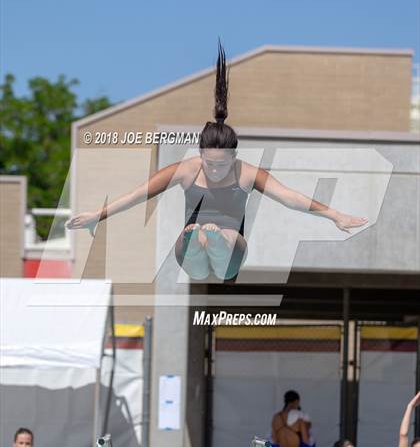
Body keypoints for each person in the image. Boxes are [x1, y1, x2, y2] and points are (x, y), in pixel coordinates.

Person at [67, 43, 368, 281]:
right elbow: (139, 194)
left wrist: (334, 215)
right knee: (195, 251)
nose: (214, 169)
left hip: (231, 255)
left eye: (221, 165)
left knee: (225, 243)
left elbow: (290, 198)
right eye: (209, 163)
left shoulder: (248, 175)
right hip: (192, 248)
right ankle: (200, 239)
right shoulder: (186, 171)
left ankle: (216, 238)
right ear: (200, 154)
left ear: (234, 157)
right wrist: (99, 214)